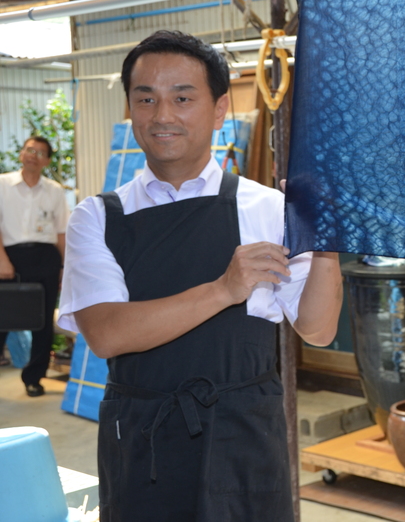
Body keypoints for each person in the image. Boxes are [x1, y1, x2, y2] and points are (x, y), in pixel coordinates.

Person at [58, 30, 343, 521]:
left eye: (182, 98)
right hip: (141, 441)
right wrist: (223, 289)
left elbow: (317, 329)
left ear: (217, 109)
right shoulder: (98, 216)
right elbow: (105, 333)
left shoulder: (269, 208)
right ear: (130, 109)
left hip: (245, 440)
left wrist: (327, 245)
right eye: (145, 98)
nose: (162, 115)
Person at [0, 136, 69, 395]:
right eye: (30, 150)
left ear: (47, 161)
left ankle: (33, 378)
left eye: (40, 153)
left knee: (41, 322)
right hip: (9, 257)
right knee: (3, 319)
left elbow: (62, 231)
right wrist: (2, 260)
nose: (33, 155)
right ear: (21, 154)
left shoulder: (54, 190)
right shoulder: (3, 184)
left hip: (45, 258)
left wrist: (64, 267)